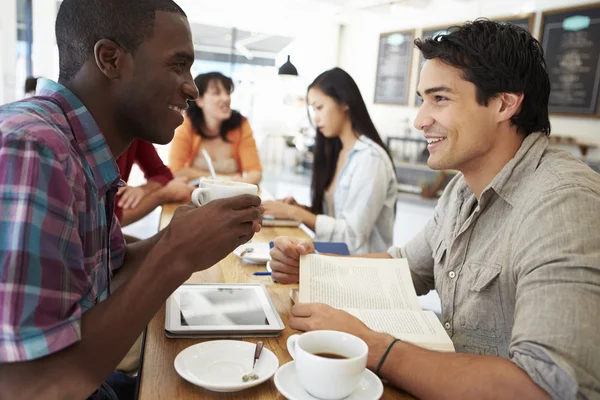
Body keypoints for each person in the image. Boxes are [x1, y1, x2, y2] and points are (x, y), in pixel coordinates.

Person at [269, 20, 600, 399]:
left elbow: (546, 388)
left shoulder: (565, 202)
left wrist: (372, 345)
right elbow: (405, 266)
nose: (419, 120)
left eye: (439, 99)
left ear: (504, 103)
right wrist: (313, 267)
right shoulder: (462, 188)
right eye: (423, 99)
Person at [0, 2, 262, 400]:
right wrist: (176, 254)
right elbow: (33, 386)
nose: (191, 87)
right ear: (110, 59)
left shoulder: (79, 147)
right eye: (178, 65)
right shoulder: (34, 148)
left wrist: (181, 235)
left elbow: (109, 271)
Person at [263, 68, 397, 254]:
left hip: (363, 273)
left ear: (344, 103)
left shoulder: (370, 158)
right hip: (334, 264)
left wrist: (295, 214)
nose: (315, 117)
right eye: (312, 110)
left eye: (319, 107)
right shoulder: (337, 152)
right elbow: (337, 221)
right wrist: (303, 210)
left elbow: (352, 236)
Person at [168, 72, 263, 184]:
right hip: (196, 194)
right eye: (216, 93)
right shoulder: (187, 125)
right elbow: (176, 170)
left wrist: (241, 186)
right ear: (200, 100)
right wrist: (223, 179)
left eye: (227, 92)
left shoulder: (241, 124)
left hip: (232, 194)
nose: (226, 98)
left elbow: (255, 172)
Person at [115, 138, 194, 227]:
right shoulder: (100, 140)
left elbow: (163, 173)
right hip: (102, 237)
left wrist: (144, 189)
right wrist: (165, 194)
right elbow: (112, 218)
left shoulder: (135, 131)